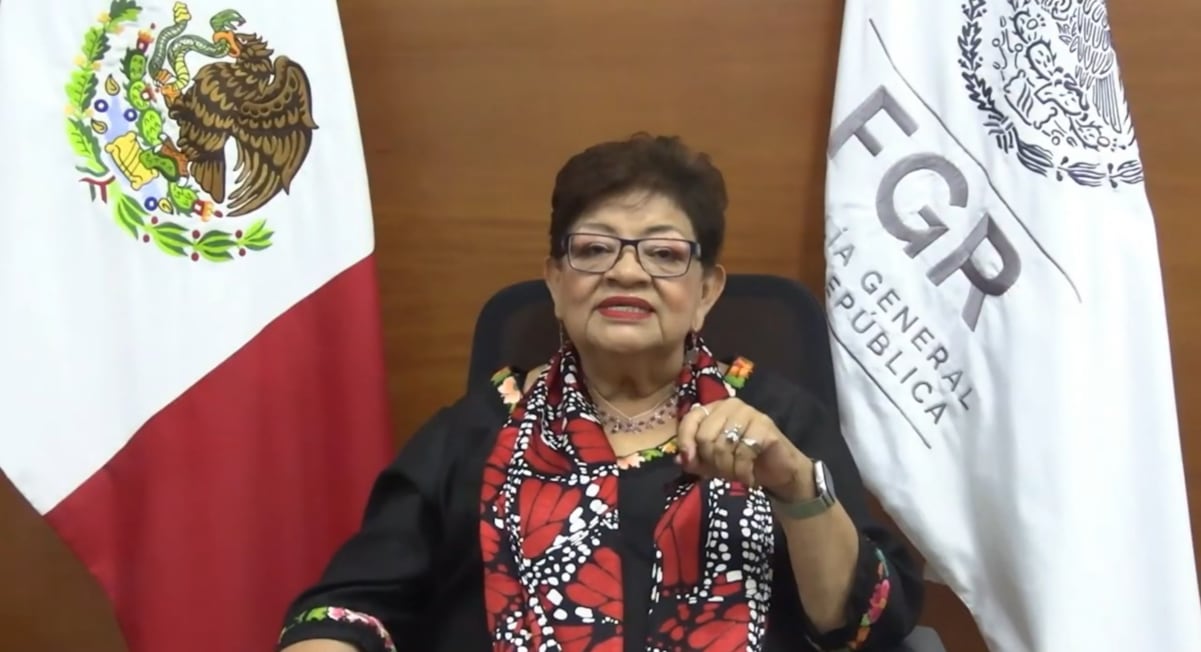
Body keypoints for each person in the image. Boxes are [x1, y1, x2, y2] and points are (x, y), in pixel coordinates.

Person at [276, 134, 924, 652]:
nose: (626, 271)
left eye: (663, 254)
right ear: (556, 283)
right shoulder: (470, 435)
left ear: (705, 291)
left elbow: (866, 627)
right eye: (593, 249)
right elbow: (350, 610)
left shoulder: (777, 420)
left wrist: (795, 487)